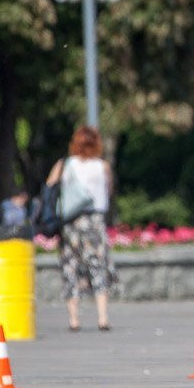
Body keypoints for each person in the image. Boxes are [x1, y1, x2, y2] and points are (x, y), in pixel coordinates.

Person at [45, 126, 116, 332]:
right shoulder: (103, 166)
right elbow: (108, 192)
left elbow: (49, 186)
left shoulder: (64, 164)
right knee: (98, 265)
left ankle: (74, 319)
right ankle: (102, 317)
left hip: (69, 223)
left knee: (70, 266)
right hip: (94, 221)